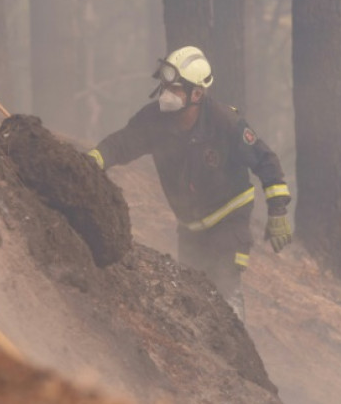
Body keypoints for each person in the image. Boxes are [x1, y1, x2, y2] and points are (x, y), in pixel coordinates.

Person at [87, 46, 292, 321]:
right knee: (193, 297)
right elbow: (122, 143)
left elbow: (265, 160)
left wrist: (278, 210)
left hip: (229, 220)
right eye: (165, 86)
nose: (166, 94)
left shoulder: (224, 122)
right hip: (190, 228)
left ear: (197, 94)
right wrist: (93, 160)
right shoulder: (154, 121)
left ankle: (235, 341)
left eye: (175, 89)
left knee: (225, 291)